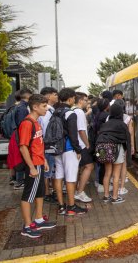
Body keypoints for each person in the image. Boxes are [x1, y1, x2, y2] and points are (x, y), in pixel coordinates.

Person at [18, 94, 56, 238]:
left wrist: (44, 160)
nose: (46, 109)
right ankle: (27, 226)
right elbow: (23, 147)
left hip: (39, 163)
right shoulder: (27, 123)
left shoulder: (36, 122)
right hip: (33, 165)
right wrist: (32, 167)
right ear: (35, 107)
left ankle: (38, 219)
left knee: (39, 192)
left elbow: (37, 144)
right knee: (29, 194)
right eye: (44, 106)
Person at [53, 88, 86, 216]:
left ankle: (61, 206)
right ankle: (71, 206)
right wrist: (78, 149)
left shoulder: (55, 112)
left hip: (57, 148)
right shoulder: (70, 114)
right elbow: (73, 135)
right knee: (71, 178)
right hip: (68, 148)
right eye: (73, 98)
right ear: (70, 98)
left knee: (58, 176)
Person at [96, 103, 132, 204]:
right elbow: (127, 140)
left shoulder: (105, 123)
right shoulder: (122, 124)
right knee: (116, 175)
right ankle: (115, 197)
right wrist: (129, 157)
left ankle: (106, 196)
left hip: (104, 149)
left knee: (107, 173)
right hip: (117, 149)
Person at [39, 87, 59, 204]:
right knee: (48, 170)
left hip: (48, 145)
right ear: (47, 97)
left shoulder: (50, 110)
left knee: (50, 169)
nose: (57, 96)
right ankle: (46, 193)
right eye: (54, 94)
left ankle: (48, 192)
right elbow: (46, 130)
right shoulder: (46, 112)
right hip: (48, 145)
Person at [73, 92, 94, 203]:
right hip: (81, 144)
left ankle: (77, 189)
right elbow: (81, 130)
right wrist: (87, 144)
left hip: (76, 144)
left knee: (80, 168)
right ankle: (80, 192)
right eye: (86, 100)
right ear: (80, 101)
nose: (87, 102)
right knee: (89, 166)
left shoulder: (74, 111)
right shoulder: (80, 112)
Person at [13, 88, 33, 190]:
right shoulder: (22, 108)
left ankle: (20, 181)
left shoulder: (19, 106)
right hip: (22, 137)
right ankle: (20, 182)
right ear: (28, 96)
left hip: (19, 136)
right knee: (23, 158)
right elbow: (23, 125)